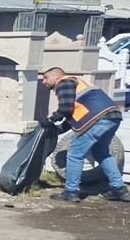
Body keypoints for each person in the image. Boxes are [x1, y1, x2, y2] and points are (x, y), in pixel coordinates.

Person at [40, 67, 129, 202]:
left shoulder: (64, 83)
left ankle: (71, 191)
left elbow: (65, 108)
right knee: (101, 153)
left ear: (57, 75)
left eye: (46, 77)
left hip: (96, 118)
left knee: (75, 154)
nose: (43, 81)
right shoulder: (77, 83)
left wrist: (50, 120)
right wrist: (58, 129)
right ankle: (119, 189)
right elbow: (75, 113)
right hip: (113, 116)